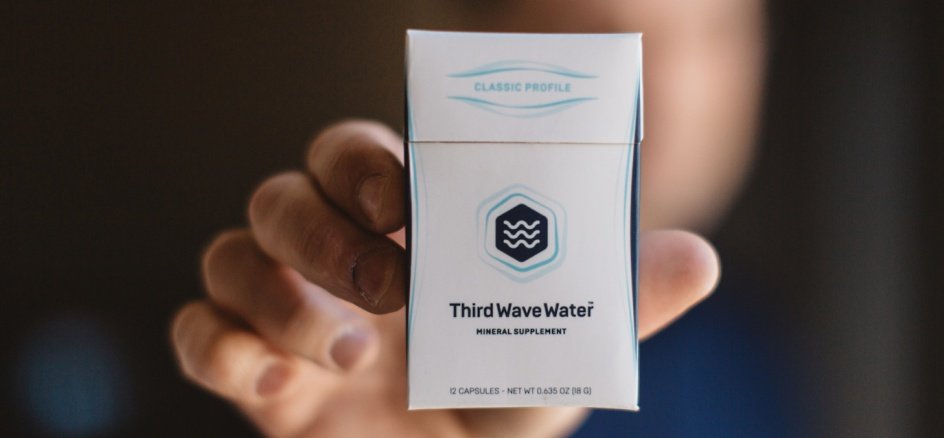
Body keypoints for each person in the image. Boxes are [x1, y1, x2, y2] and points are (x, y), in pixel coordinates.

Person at [170, 1, 766, 436]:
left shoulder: (756, 352)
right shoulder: (374, 326)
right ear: (475, 48)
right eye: (591, 35)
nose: (668, 87)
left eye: (714, 31)